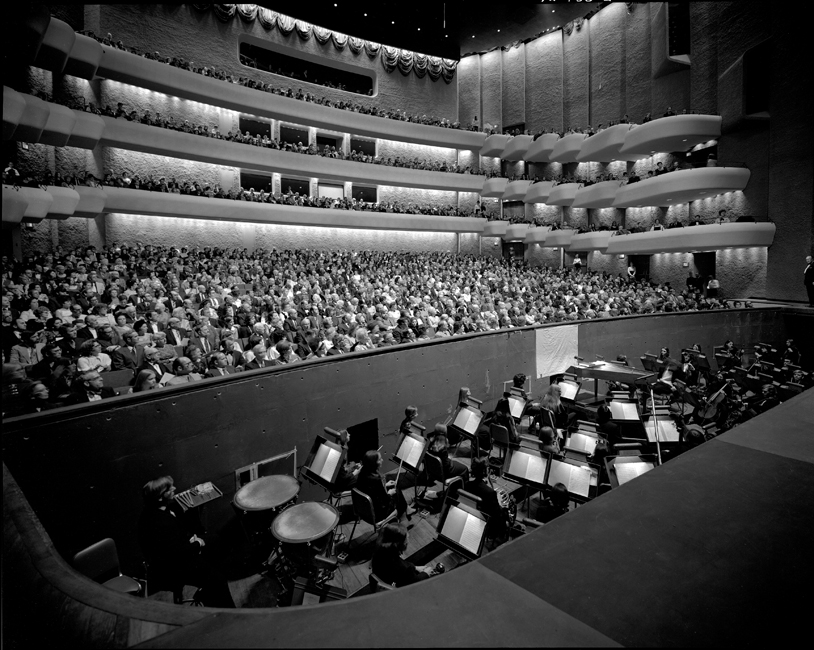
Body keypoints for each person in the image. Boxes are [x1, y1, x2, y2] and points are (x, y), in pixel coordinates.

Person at [137, 476, 235, 607]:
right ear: (160, 497)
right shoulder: (160, 523)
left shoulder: (153, 511)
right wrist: (196, 543)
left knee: (217, 541)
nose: (174, 489)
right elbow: (176, 552)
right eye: (169, 489)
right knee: (218, 580)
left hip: (178, 551)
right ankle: (226, 612)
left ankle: (210, 593)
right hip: (172, 567)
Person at [355, 449, 413, 522]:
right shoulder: (376, 479)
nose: (382, 460)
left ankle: (407, 508)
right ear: (373, 463)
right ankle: (398, 520)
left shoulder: (362, 473)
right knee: (396, 491)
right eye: (379, 459)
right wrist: (389, 493)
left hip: (364, 509)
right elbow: (385, 500)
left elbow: (371, 490)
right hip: (378, 513)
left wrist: (385, 485)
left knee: (393, 486)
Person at [370, 523, 434, 588]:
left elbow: (399, 565)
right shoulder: (404, 568)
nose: (408, 539)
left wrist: (415, 567)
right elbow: (415, 583)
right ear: (401, 544)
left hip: (383, 580)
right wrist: (426, 573)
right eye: (407, 538)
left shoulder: (378, 552)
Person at [463, 456, 509, 543]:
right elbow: (497, 514)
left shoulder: (467, 485)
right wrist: (501, 504)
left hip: (472, 516)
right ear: (486, 470)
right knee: (505, 508)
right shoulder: (490, 492)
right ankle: (502, 536)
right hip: (487, 523)